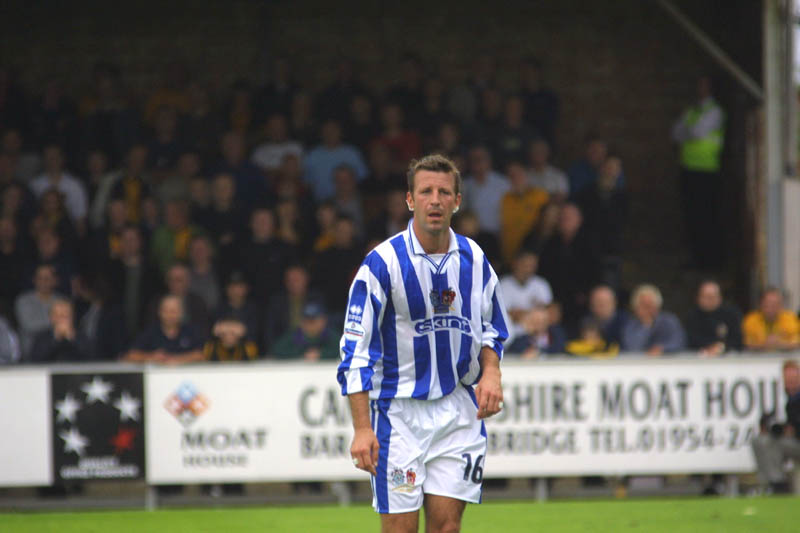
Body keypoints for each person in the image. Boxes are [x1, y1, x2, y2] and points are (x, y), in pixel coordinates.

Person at [337, 154, 507, 530]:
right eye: (426, 191)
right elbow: (354, 353)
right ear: (410, 200)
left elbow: (493, 326)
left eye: (444, 192)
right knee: (402, 529)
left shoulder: (475, 259)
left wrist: (491, 372)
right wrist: (362, 428)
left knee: (447, 527)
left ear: (457, 201)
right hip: (398, 415)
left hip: (458, 411)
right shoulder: (381, 264)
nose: (435, 200)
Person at [671, 75, 725, 269]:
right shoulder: (693, 110)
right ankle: (696, 259)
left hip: (707, 172)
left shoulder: (715, 111)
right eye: (698, 83)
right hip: (688, 169)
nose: (700, 87)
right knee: (691, 216)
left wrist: (687, 131)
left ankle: (709, 260)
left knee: (706, 217)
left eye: (704, 84)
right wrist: (688, 131)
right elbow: (675, 134)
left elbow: (695, 133)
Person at [751, 360, 800, 493]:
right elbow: (769, 417)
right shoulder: (782, 396)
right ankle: (768, 482)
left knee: (770, 443)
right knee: (759, 440)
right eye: (787, 378)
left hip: (796, 440)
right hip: (789, 440)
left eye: (793, 378)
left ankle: (778, 484)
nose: (790, 382)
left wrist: (793, 430)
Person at [124, 295, 204, 364]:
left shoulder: (191, 331)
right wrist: (152, 357)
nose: (170, 315)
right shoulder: (150, 332)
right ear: (159, 312)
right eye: (166, 311)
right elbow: (131, 355)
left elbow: (201, 355)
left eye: (173, 311)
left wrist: (177, 359)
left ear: (181, 313)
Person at [499, 160, 549, 266]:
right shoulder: (505, 199)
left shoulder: (541, 197)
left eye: (519, 174)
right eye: (511, 176)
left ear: (527, 175)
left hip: (533, 257)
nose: (516, 179)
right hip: (510, 258)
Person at [498, 250, 552, 337]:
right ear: (515, 264)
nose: (528, 269)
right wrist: (529, 315)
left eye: (532, 265)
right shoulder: (503, 284)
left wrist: (528, 316)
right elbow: (503, 314)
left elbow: (549, 311)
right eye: (525, 265)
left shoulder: (541, 284)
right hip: (513, 333)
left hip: (538, 331)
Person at [621, 284, 686, 355]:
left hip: (669, 363)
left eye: (651, 305)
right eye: (644, 305)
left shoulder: (669, 320)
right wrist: (646, 325)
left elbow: (679, 342)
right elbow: (632, 347)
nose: (648, 309)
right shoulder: (630, 324)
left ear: (658, 305)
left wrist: (663, 348)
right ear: (635, 307)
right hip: (640, 364)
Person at [685, 280, 743, 355]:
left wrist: (722, 347)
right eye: (706, 297)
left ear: (720, 297)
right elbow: (690, 340)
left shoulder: (731, 315)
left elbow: (738, 340)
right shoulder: (691, 316)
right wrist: (709, 347)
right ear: (698, 298)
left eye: (713, 297)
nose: (710, 300)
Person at [271, 300, 339, 361]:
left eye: (314, 320)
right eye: (307, 320)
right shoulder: (294, 335)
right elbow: (277, 351)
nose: (310, 324)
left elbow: (343, 350)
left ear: (323, 321)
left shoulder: (331, 335)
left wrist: (321, 354)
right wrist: (303, 354)